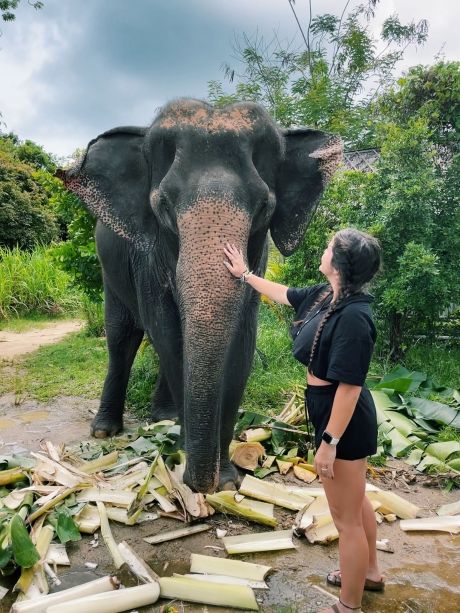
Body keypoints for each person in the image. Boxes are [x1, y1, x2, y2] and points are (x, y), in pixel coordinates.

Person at [223, 228, 383, 613]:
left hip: (342, 418)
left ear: (340, 264)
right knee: (356, 503)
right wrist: (245, 275)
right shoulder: (326, 295)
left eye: (330, 247)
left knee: (345, 520)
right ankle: (371, 573)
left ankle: (348, 604)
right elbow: (282, 293)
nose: (324, 250)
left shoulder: (355, 317)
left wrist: (329, 443)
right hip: (330, 410)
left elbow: (348, 387)